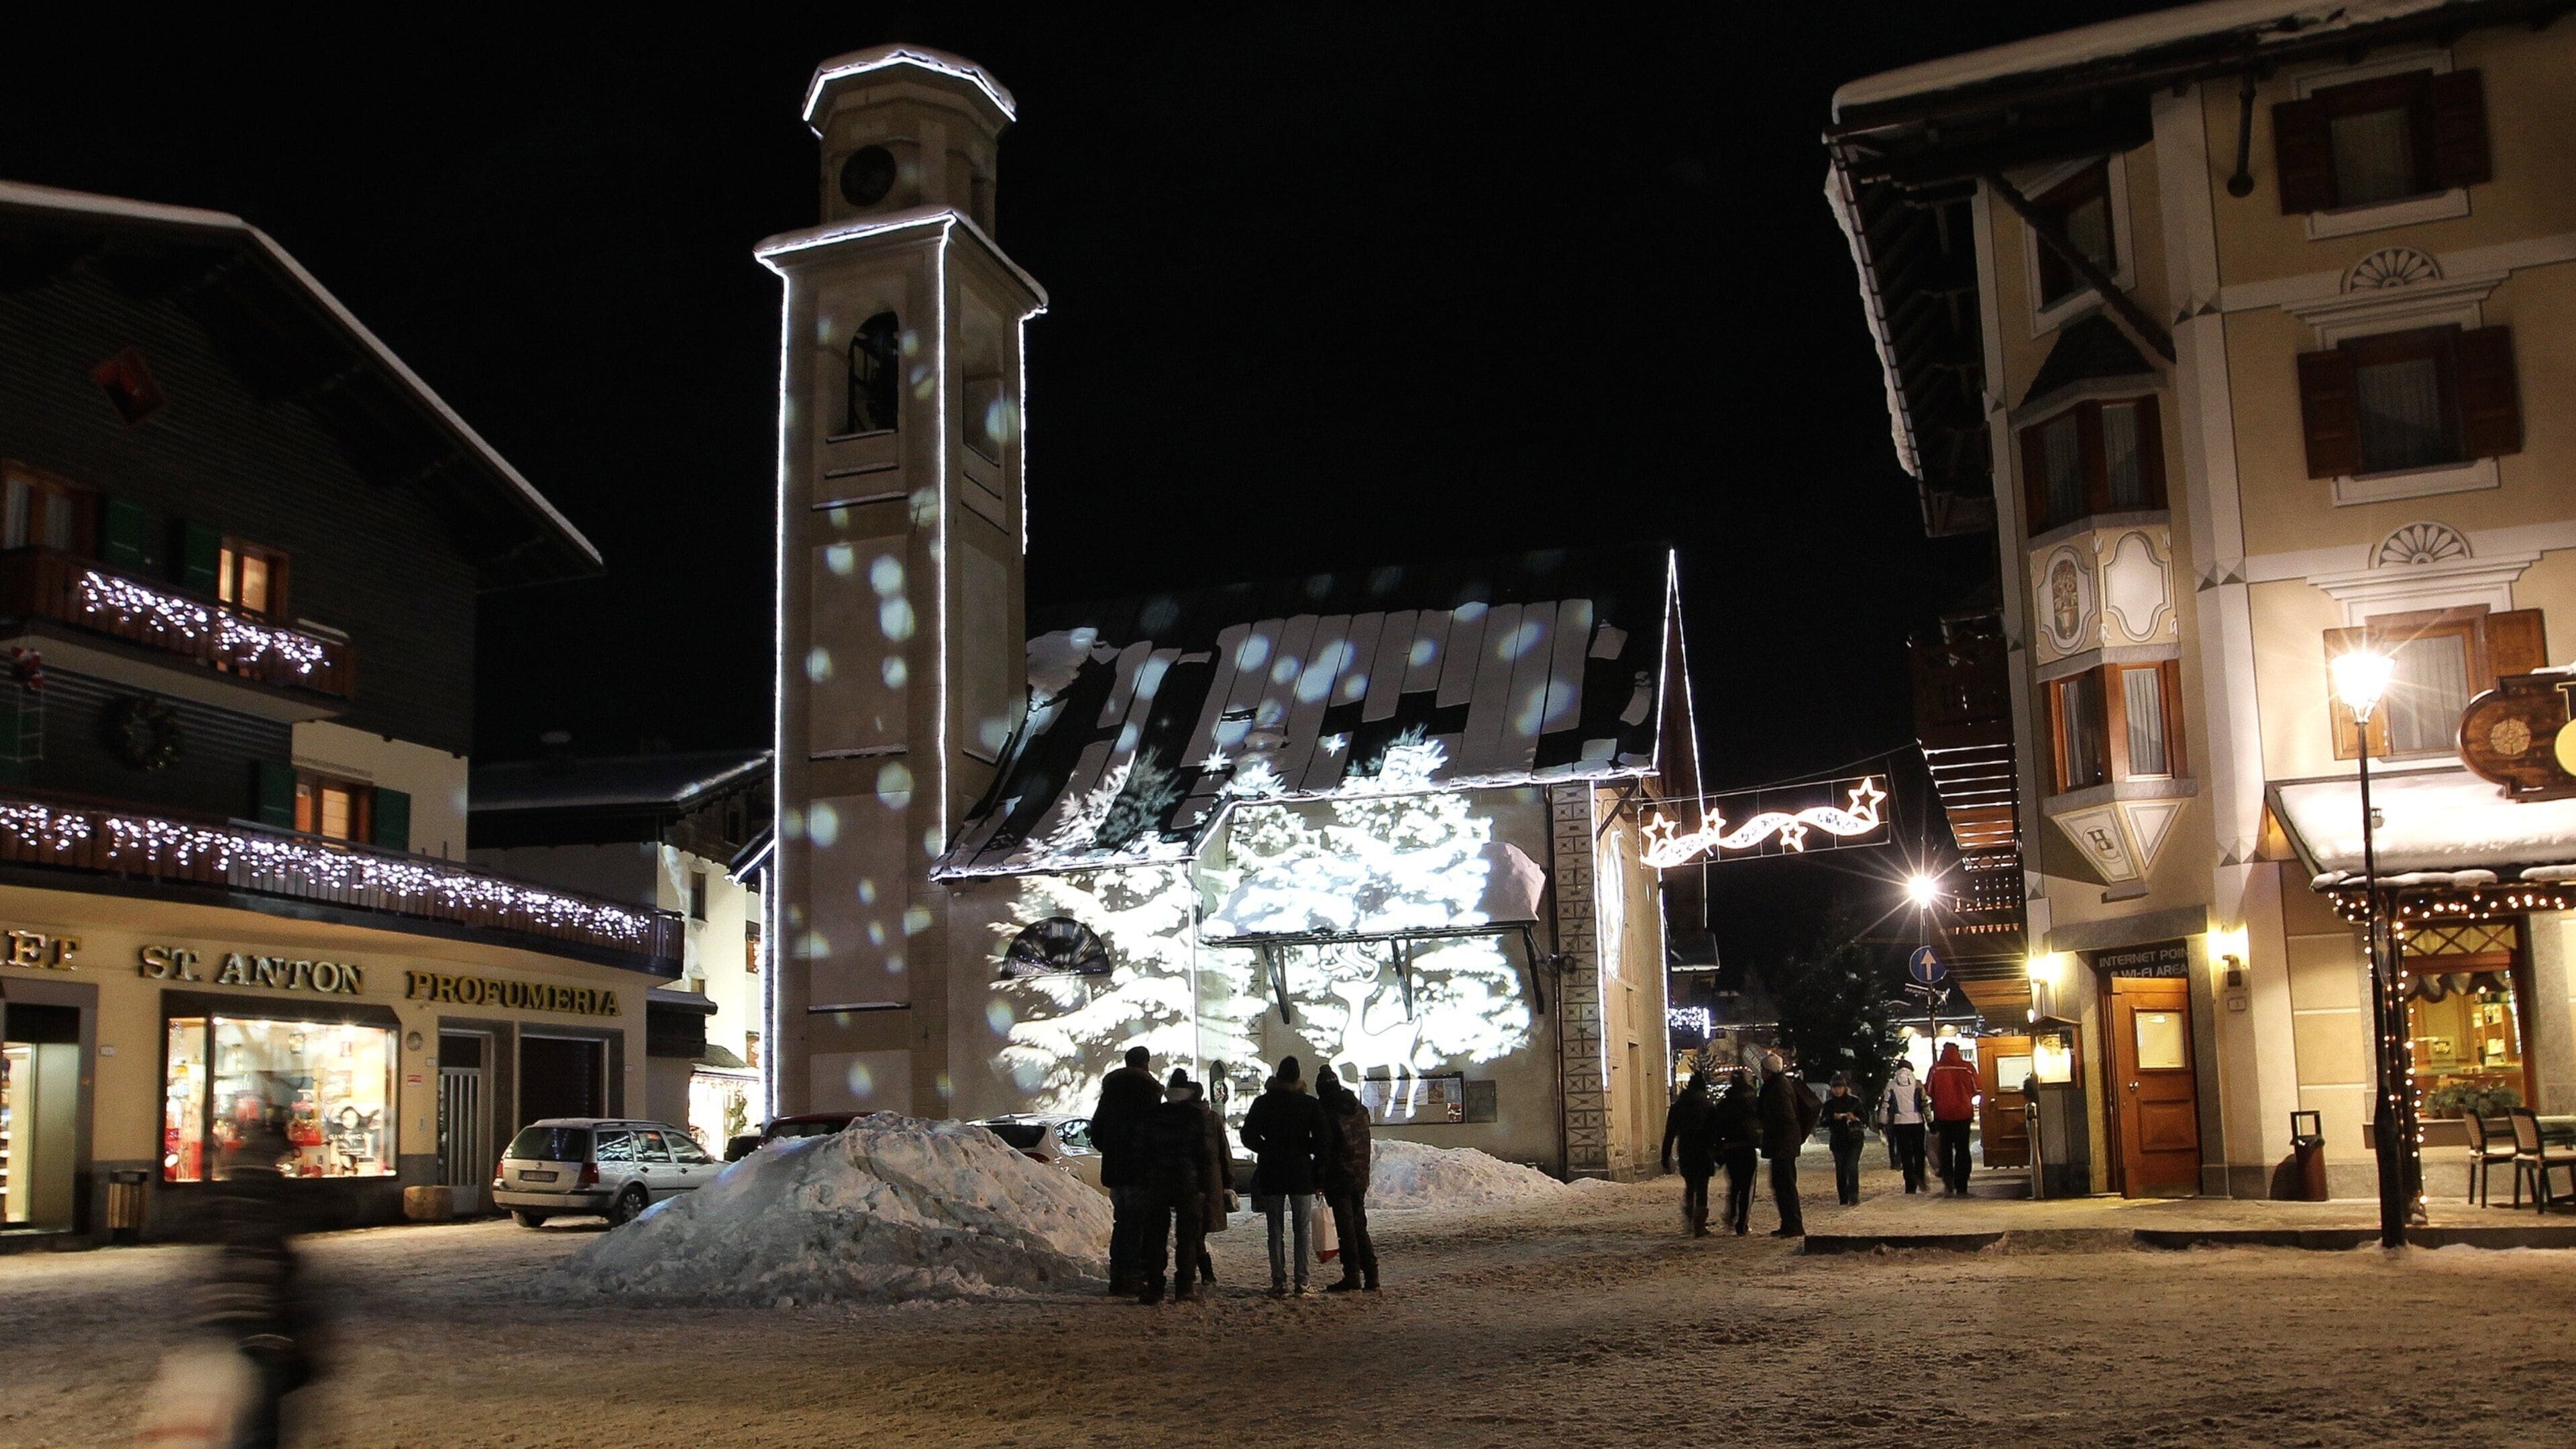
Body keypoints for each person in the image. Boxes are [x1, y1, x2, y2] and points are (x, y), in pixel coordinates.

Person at [195, 1108, 315, 1449]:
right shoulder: (275, 1197)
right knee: (262, 1413)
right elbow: (284, 1259)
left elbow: (198, 1235)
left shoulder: (226, 1194)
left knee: (232, 1401)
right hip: (263, 1314)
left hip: (222, 1310)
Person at [1239, 1054, 1328, 1296]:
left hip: (1272, 1169)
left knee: (1275, 1229)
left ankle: (1279, 1282)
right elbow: (1322, 1141)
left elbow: (1247, 1135)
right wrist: (1313, 1163)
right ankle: (1303, 1282)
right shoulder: (1309, 1104)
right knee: (1302, 1229)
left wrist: (1266, 1148)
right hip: (1301, 1171)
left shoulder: (1263, 1103)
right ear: (1299, 1077)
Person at [1134, 1069, 1224, 1304]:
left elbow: (1142, 1150)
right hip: (1187, 1181)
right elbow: (1205, 1154)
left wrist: (1145, 1178)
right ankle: (1185, 1286)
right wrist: (1205, 1184)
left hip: (1158, 1181)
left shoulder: (1154, 1115)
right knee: (1188, 1235)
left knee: (1156, 1235)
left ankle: (1155, 1287)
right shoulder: (1196, 1117)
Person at [1090, 1044, 1164, 1293]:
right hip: (1140, 1169)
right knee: (1137, 1223)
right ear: (1146, 1063)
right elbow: (1155, 1132)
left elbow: (1096, 1132)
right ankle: (1132, 1275)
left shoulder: (1110, 1092)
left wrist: (1112, 1150)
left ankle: (1118, 1275)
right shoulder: (1149, 1092)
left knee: (1122, 1222)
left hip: (1115, 1169)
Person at [1315, 1071, 1380, 1291]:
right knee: (1360, 1225)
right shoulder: (1359, 1109)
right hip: (1360, 1176)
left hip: (1339, 1177)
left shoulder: (1329, 1113)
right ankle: (1372, 1274)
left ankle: (1352, 1275)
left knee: (1346, 1229)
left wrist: (1320, 1179)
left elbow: (1326, 1150)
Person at [1756, 1051, 1819, 1238]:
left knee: (1785, 1185)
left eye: (1762, 1069)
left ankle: (1793, 1224)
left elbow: (1785, 1116)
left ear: (1768, 1071)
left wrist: (1769, 1126)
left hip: (1782, 1144)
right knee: (1782, 1184)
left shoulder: (1777, 1088)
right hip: (1785, 1143)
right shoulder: (1782, 1085)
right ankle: (1789, 1223)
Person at [1660, 1069, 1717, 1237]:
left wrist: (1665, 1156)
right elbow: (1714, 1132)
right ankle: (1700, 1226)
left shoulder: (1678, 1107)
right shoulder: (1708, 1106)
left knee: (1690, 1185)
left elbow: (1670, 1133)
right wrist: (1718, 1152)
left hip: (1686, 1151)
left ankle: (1690, 1218)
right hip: (1704, 1152)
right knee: (1702, 1188)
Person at [1712, 1067, 1761, 1235]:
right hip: (1747, 1147)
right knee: (1747, 1187)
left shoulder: (1725, 1103)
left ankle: (1732, 1215)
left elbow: (1717, 1127)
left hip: (1731, 1148)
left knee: (1734, 1185)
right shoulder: (1753, 1101)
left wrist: (1718, 1148)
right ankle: (1742, 1222)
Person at [1929, 1040, 1980, 1197]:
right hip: (1963, 1114)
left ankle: (1948, 1181)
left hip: (1942, 1115)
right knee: (1962, 1149)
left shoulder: (1936, 1069)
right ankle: (1962, 1183)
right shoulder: (1967, 1068)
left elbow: (1929, 1090)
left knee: (1945, 1150)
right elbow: (1977, 1088)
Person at [1881, 1061, 1930, 1193]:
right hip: (1917, 1122)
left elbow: (1886, 1104)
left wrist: (1882, 1121)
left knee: (1905, 1154)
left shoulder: (1891, 1085)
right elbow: (1924, 1104)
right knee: (1919, 1152)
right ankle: (1920, 1177)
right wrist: (1930, 1121)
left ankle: (1910, 1185)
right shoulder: (1918, 1084)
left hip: (1900, 1123)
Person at [1821, 1073, 1869, 1207]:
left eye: (1840, 1087)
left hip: (1854, 1139)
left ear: (1844, 1087)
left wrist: (1854, 1118)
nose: (1837, 1090)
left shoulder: (1854, 1101)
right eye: (1835, 1088)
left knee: (1852, 1166)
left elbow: (1864, 1118)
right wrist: (1833, 1117)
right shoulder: (1829, 1104)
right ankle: (1843, 1197)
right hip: (1837, 1140)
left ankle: (1854, 1195)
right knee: (1841, 1170)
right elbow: (1823, 1121)